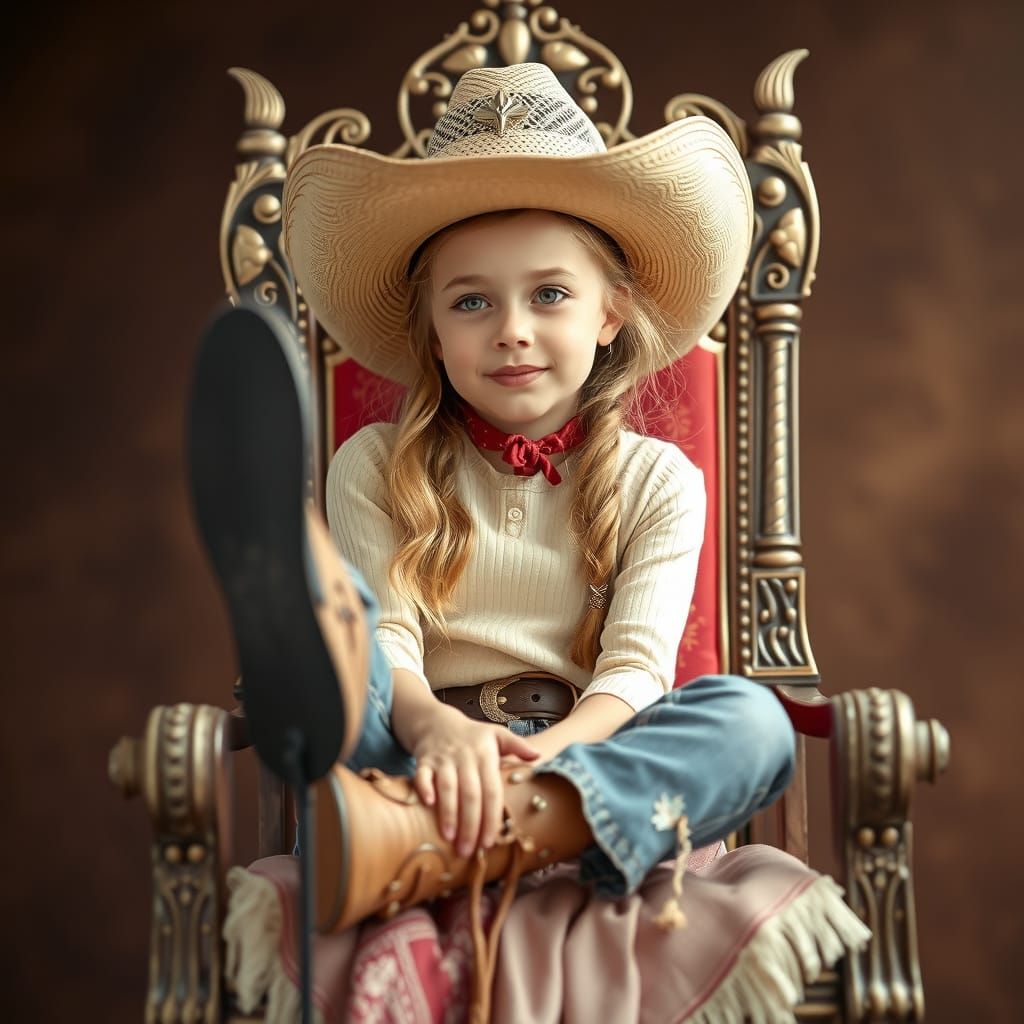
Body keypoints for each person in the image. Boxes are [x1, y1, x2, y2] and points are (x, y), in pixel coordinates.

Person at [191, 62, 796, 1021]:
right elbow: (396, 644)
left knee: (751, 727)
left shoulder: (659, 482)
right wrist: (437, 730)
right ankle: (301, 621)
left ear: (611, 312)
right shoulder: (372, 463)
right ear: (431, 330)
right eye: (471, 302)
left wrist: (548, 760)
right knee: (356, 665)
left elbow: (634, 677)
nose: (511, 331)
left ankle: (433, 842)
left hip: (587, 757)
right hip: (416, 744)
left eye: (549, 295)